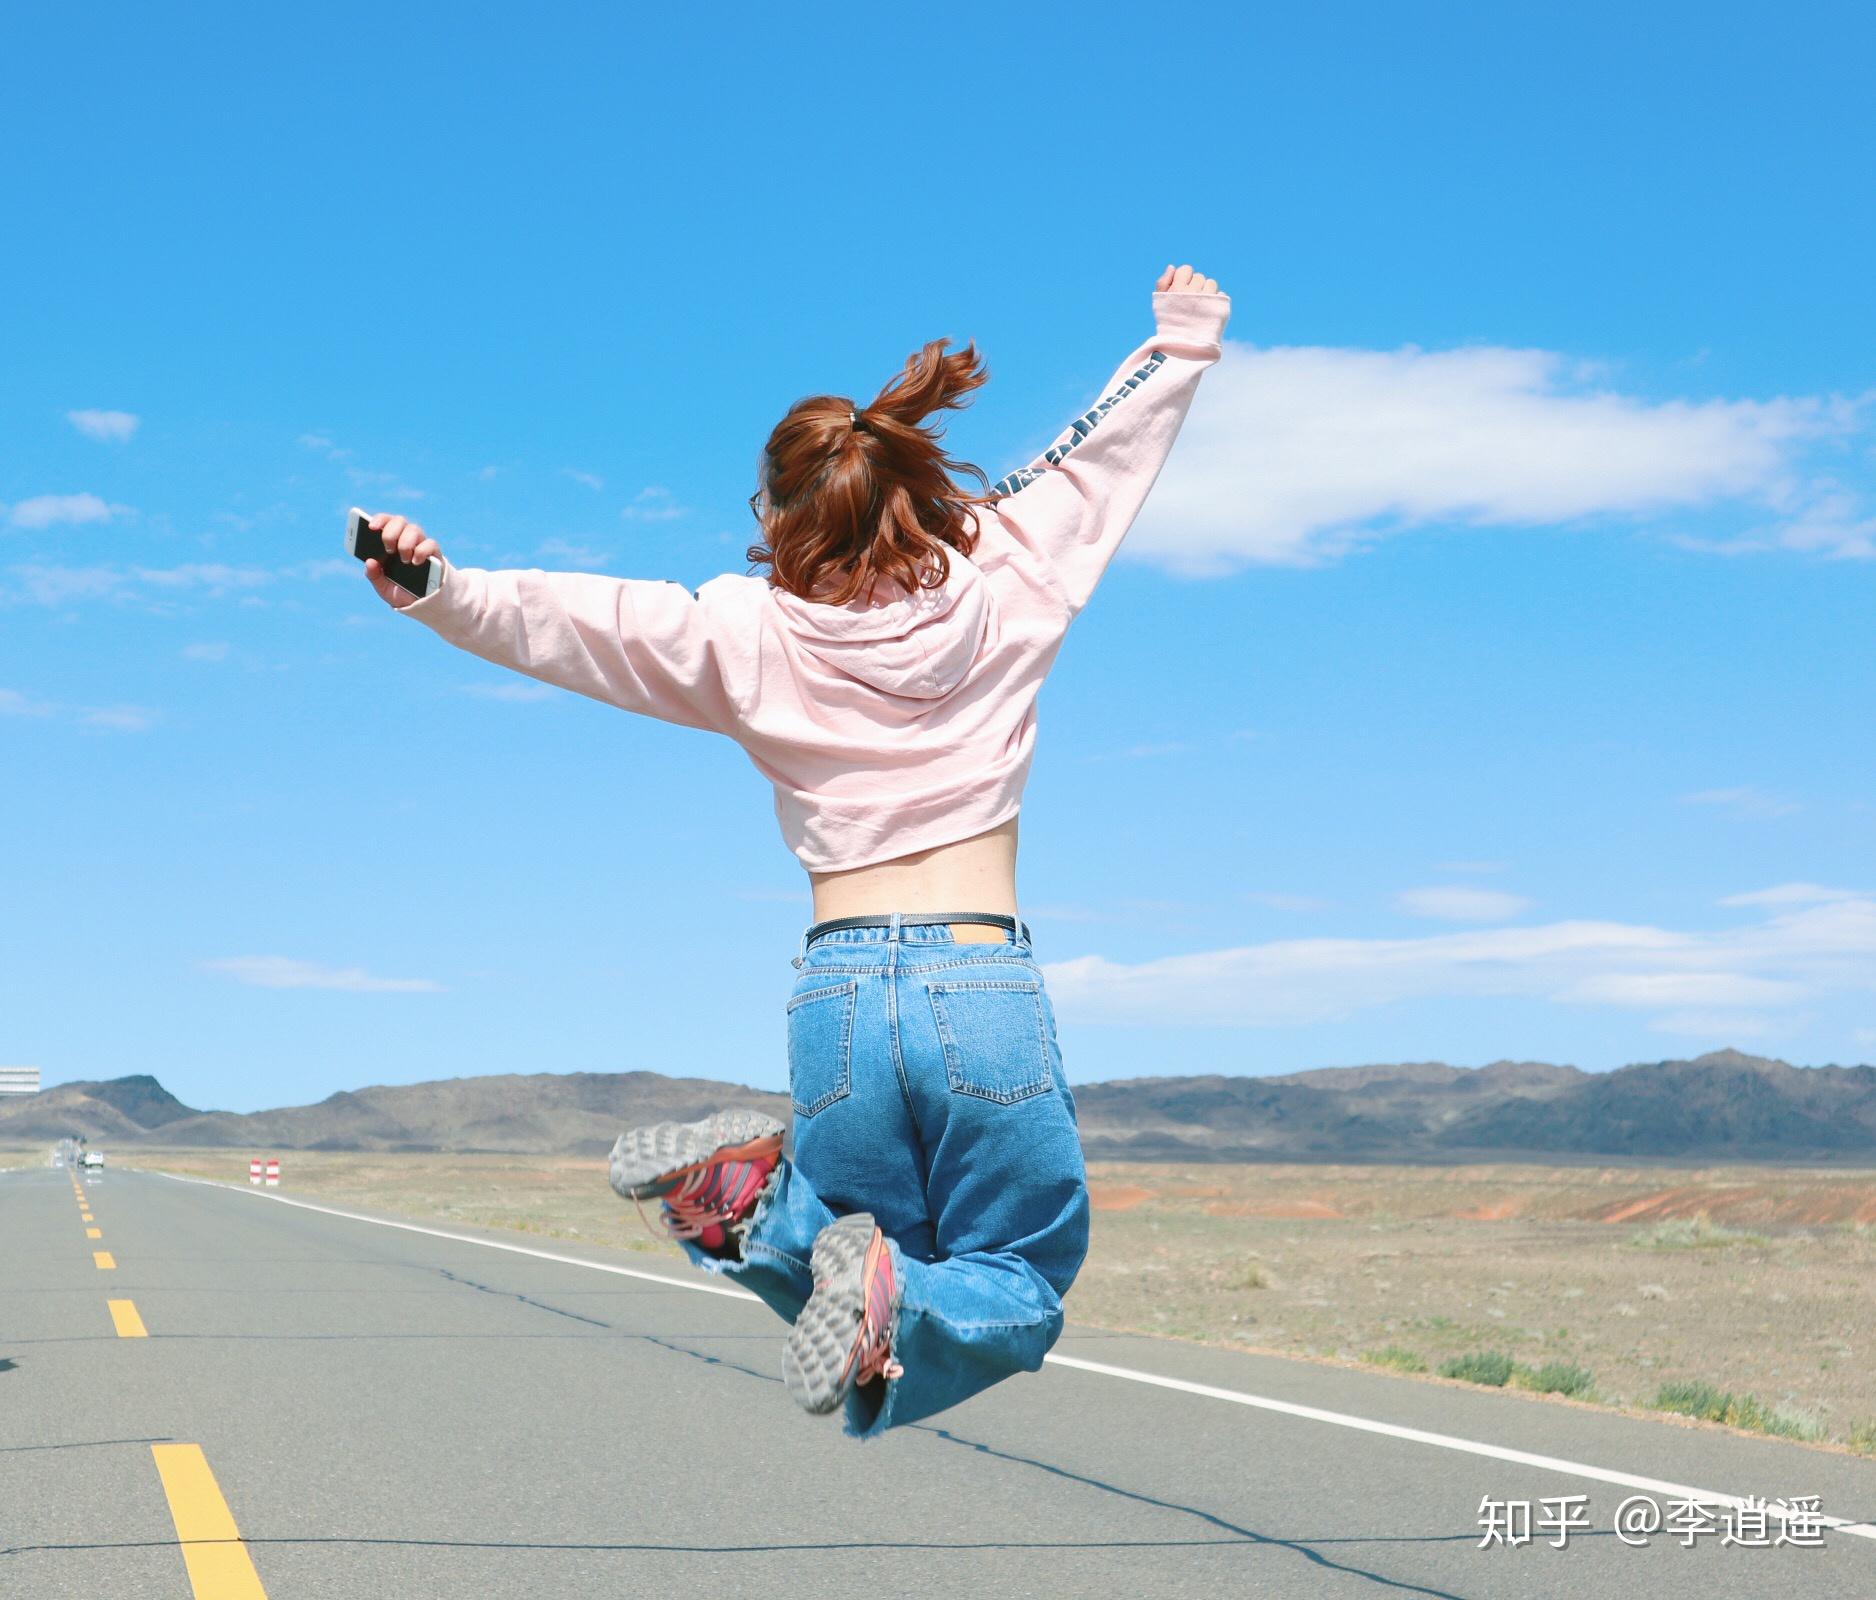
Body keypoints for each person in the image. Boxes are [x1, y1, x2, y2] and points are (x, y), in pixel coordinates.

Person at [361, 263, 1229, 1440]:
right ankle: (791, 1236)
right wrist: (1179, 345)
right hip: (978, 981)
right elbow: (1096, 468)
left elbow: (580, 622)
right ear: (910, 491)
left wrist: (441, 588)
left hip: (837, 996)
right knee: (1017, 1278)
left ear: (775, 519)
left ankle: (762, 1212)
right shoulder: (1008, 576)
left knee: (857, 1265)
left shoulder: (743, 631)